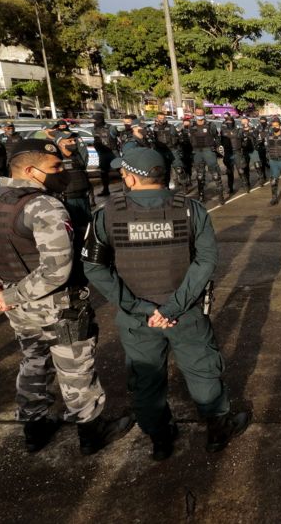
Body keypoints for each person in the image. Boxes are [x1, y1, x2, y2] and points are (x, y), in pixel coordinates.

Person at [83, 146, 250, 460]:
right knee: (202, 371)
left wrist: (139, 307)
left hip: (137, 318)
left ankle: (160, 440)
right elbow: (206, 261)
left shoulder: (107, 213)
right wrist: (173, 307)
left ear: (131, 178)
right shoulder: (191, 209)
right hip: (184, 313)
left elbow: (94, 267)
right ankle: (216, 432)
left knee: (146, 380)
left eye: (123, 173)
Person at [0, 139, 133, 454]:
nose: (62, 172)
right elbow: (56, 270)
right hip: (56, 306)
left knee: (33, 361)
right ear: (30, 170)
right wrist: (9, 295)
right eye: (54, 167)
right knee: (74, 368)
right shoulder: (42, 206)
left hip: (17, 307)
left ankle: (34, 429)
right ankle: (90, 432)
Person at [190, 109, 225, 204]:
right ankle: (201, 196)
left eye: (201, 114)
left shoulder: (210, 125)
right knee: (200, 175)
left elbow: (217, 137)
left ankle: (220, 195)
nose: (199, 115)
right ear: (194, 114)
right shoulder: (191, 126)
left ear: (204, 114)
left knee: (215, 174)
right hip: (197, 152)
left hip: (208, 150)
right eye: (197, 114)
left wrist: (217, 147)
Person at [92, 113, 118, 197]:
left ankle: (128, 188)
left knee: (121, 170)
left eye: (95, 120)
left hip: (113, 152)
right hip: (102, 154)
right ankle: (105, 190)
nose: (94, 122)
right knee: (103, 172)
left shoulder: (111, 128)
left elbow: (117, 136)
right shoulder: (94, 129)